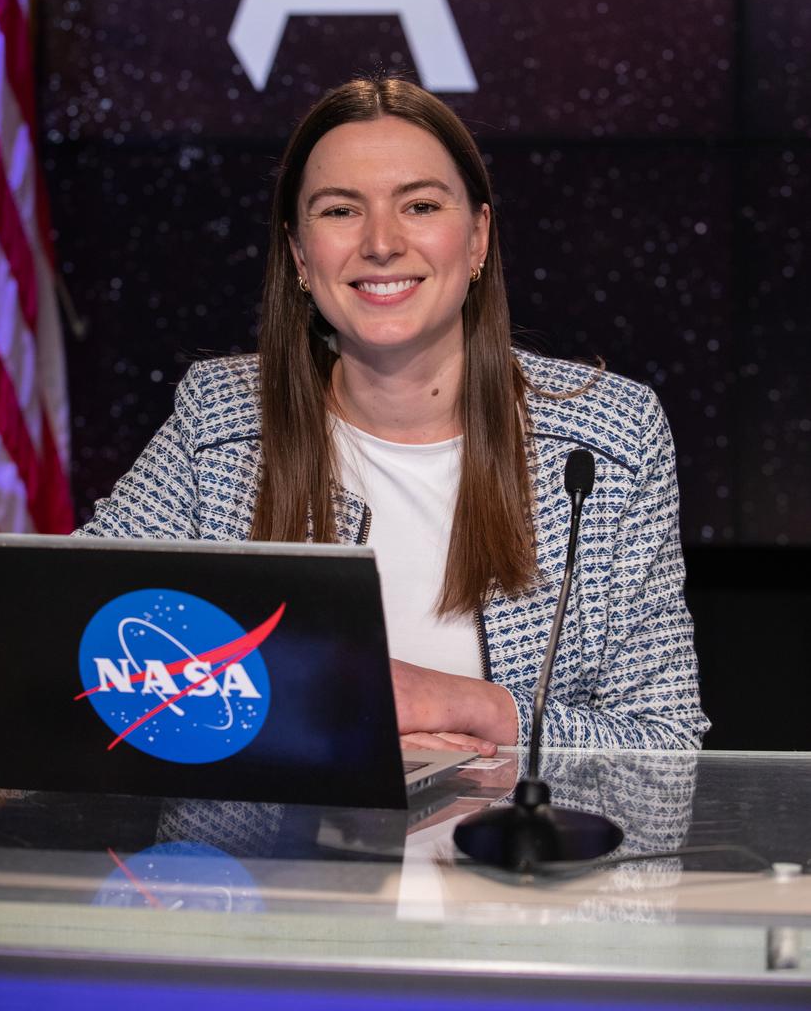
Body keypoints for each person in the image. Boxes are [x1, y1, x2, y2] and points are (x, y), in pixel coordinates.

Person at [77, 77, 709, 755]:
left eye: (419, 205)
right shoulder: (220, 420)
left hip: (514, 859)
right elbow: (72, 640)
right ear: (297, 254)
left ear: (476, 240)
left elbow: (663, 745)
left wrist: (474, 710)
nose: (380, 242)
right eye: (340, 211)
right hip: (266, 857)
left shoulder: (609, 434)